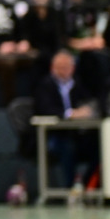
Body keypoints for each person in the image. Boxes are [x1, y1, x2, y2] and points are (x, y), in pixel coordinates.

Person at [33, 51, 98, 193]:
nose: (63, 70)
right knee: (67, 147)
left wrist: (86, 110)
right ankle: (69, 188)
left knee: (98, 145)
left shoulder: (78, 84)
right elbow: (44, 108)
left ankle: (87, 185)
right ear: (52, 68)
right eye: (59, 67)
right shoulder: (45, 85)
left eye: (66, 67)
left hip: (77, 133)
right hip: (54, 135)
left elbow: (88, 102)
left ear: (72, 68)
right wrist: (69, 114)